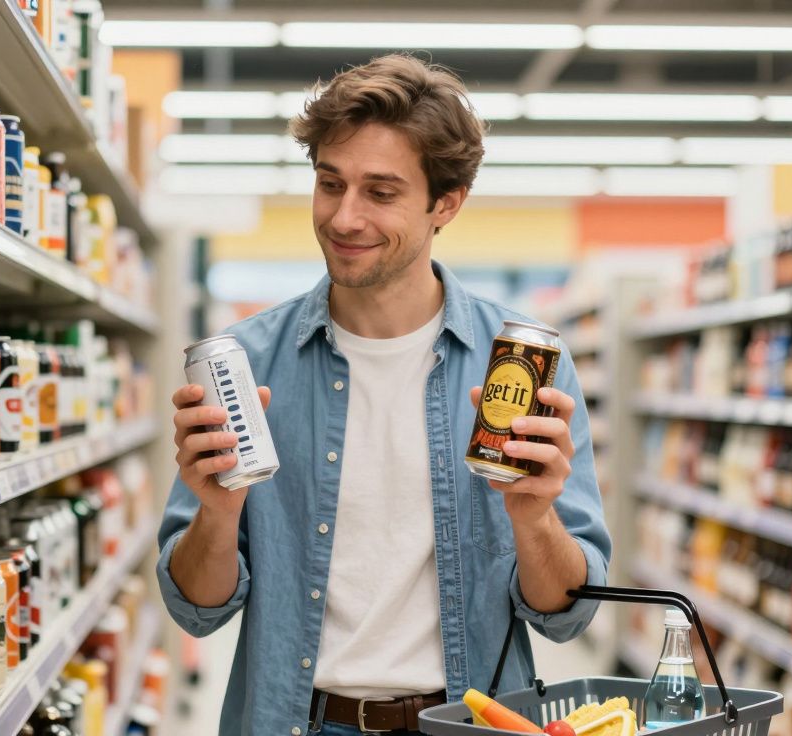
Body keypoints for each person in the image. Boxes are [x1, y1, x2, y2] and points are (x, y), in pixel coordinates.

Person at [157, 54, 612, 736]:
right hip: (296, 721)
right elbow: (197, 608)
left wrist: (534, 518)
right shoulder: (248, 362)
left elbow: (566, 613)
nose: (344, 217)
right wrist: (218, 516)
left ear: (445, 204)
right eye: (329, 183)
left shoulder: (520, 366)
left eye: (381, 192)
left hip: (470, 722)